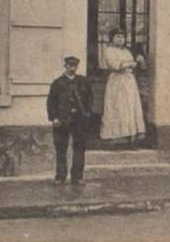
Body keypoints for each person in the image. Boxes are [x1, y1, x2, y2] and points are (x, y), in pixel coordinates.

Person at [47, 55, 92, 186]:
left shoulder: (83, 82)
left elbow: (90, 98)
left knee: (79, 148)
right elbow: (51, 102)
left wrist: (87, 113)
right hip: (62, 120)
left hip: (79, 120)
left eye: (74, 66)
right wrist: (54, 117)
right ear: (65, 66)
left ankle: (77, 177)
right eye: (69, 65)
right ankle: (60, 177)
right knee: (61, 149)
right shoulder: (57, 83)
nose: (72, 68)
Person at [100, 29, 146, 145]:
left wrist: (140, 61)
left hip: (129, 80)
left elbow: (136, 66)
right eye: (117, 37)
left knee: (130, 106)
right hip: (117, 81)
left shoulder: (126, 51)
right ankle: (115, 136)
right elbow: (115, 66)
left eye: (122, 37)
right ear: (112, 38)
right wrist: (132, 63)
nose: (120, 39)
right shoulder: (109, 50)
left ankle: (131, 135)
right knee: (117, 106)